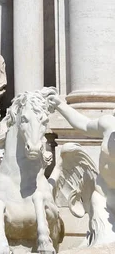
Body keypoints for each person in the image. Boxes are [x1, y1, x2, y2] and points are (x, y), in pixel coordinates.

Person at [48, 90, 115, 245]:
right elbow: (84, 124)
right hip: (102, 198)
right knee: (103, 244)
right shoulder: (109, 123)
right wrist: (60, 106)